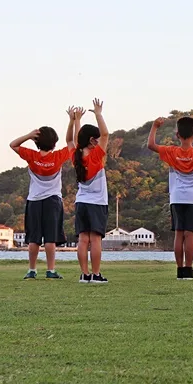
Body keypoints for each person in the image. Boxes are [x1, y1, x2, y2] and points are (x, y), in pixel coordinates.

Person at [11, 106, 81, 280]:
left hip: (34, 201)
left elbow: (13, 145)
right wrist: (72, 121)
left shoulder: (32, 156)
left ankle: (32, 270)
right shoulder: (58, 157)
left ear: (36, 142)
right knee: (50, 238)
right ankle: (50, 270)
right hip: (53, 201)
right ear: (54, 143)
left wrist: (28, 135)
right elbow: (75, 143)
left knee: (34, 238)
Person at [147, 114, 193, 280]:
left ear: (177, 135)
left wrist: (155, 126)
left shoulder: (171, 152)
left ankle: (180, 269)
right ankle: (189, 268)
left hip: (177, 198)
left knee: (178, 233)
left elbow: (151, 144)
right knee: (190, 234)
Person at [74, 99, 111, 285]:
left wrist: (76, 121)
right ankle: (96, 275)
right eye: (95, 139)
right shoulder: (96, 156)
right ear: (91, 140)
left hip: (81, 202)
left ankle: (84, 274)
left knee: (83, 239)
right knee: (95, 240)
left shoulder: (77, 155)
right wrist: (98, 113)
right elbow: (105, 133)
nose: (99, 141)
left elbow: (76, 140)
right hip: (97, 203)